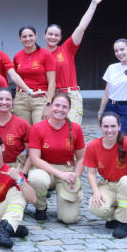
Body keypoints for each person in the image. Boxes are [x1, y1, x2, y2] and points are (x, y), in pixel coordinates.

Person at [44, 0, 106, 122]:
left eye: (56, 35)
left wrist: (93, 4)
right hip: (50, 97)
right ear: (44, 36)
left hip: (70, 95)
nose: (53, 37)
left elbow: (81, 27)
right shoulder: (40, 55)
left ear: (60, 37)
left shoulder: (67, 48)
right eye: (50, 34)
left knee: (72, 131)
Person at [86, 112, 127, 238]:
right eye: (106, 126)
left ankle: (124, 223)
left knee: (126, 181)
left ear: (119, 126)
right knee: (95, 208)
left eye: (113, 126)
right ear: (100, 127)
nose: (109, 130)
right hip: (108, 185)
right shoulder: (93, 145)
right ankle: (114, 216)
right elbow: (91, 172)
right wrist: (96, 191)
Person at [26, 93, 86, 223]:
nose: (60, 109)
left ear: (69, 109)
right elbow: (34, 158)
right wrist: (59, 174)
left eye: (64, 107)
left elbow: (81, 158)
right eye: (57, 105)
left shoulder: (76, 129)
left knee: (69, 219)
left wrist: (75, 177)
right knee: (37, 179)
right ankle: (40, 207)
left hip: (67, 169)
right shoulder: (38, 127)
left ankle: (65, 199)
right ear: (51, 106)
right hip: (45, 169)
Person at [12, 26, 56, 124]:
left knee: (40, 130)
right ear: (20, 39)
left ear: (36, 36)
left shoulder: (46, 54)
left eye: (30, 35)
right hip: (21, 99)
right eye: (24, 36)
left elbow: (52, 82)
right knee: (24, 132)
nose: (28, 39)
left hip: (41, 98)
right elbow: (16, 78)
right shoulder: (17, 56)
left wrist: (49, 104)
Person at [0, 87, 32, 172]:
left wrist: (24, 172)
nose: (4, 102)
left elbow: (32, 153)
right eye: (0, 99)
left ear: (13, 101)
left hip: (16, 168)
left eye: (8, 99)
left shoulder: (22, 124)